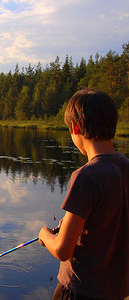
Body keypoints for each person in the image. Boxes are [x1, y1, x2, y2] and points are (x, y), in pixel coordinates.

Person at [38, 88, 129, 300]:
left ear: (75, 127)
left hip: (79, 291)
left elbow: (62, 250)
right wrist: (73, 226)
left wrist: (45, 234)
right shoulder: (125, 167)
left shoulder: (86, 176)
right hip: (117, 291)